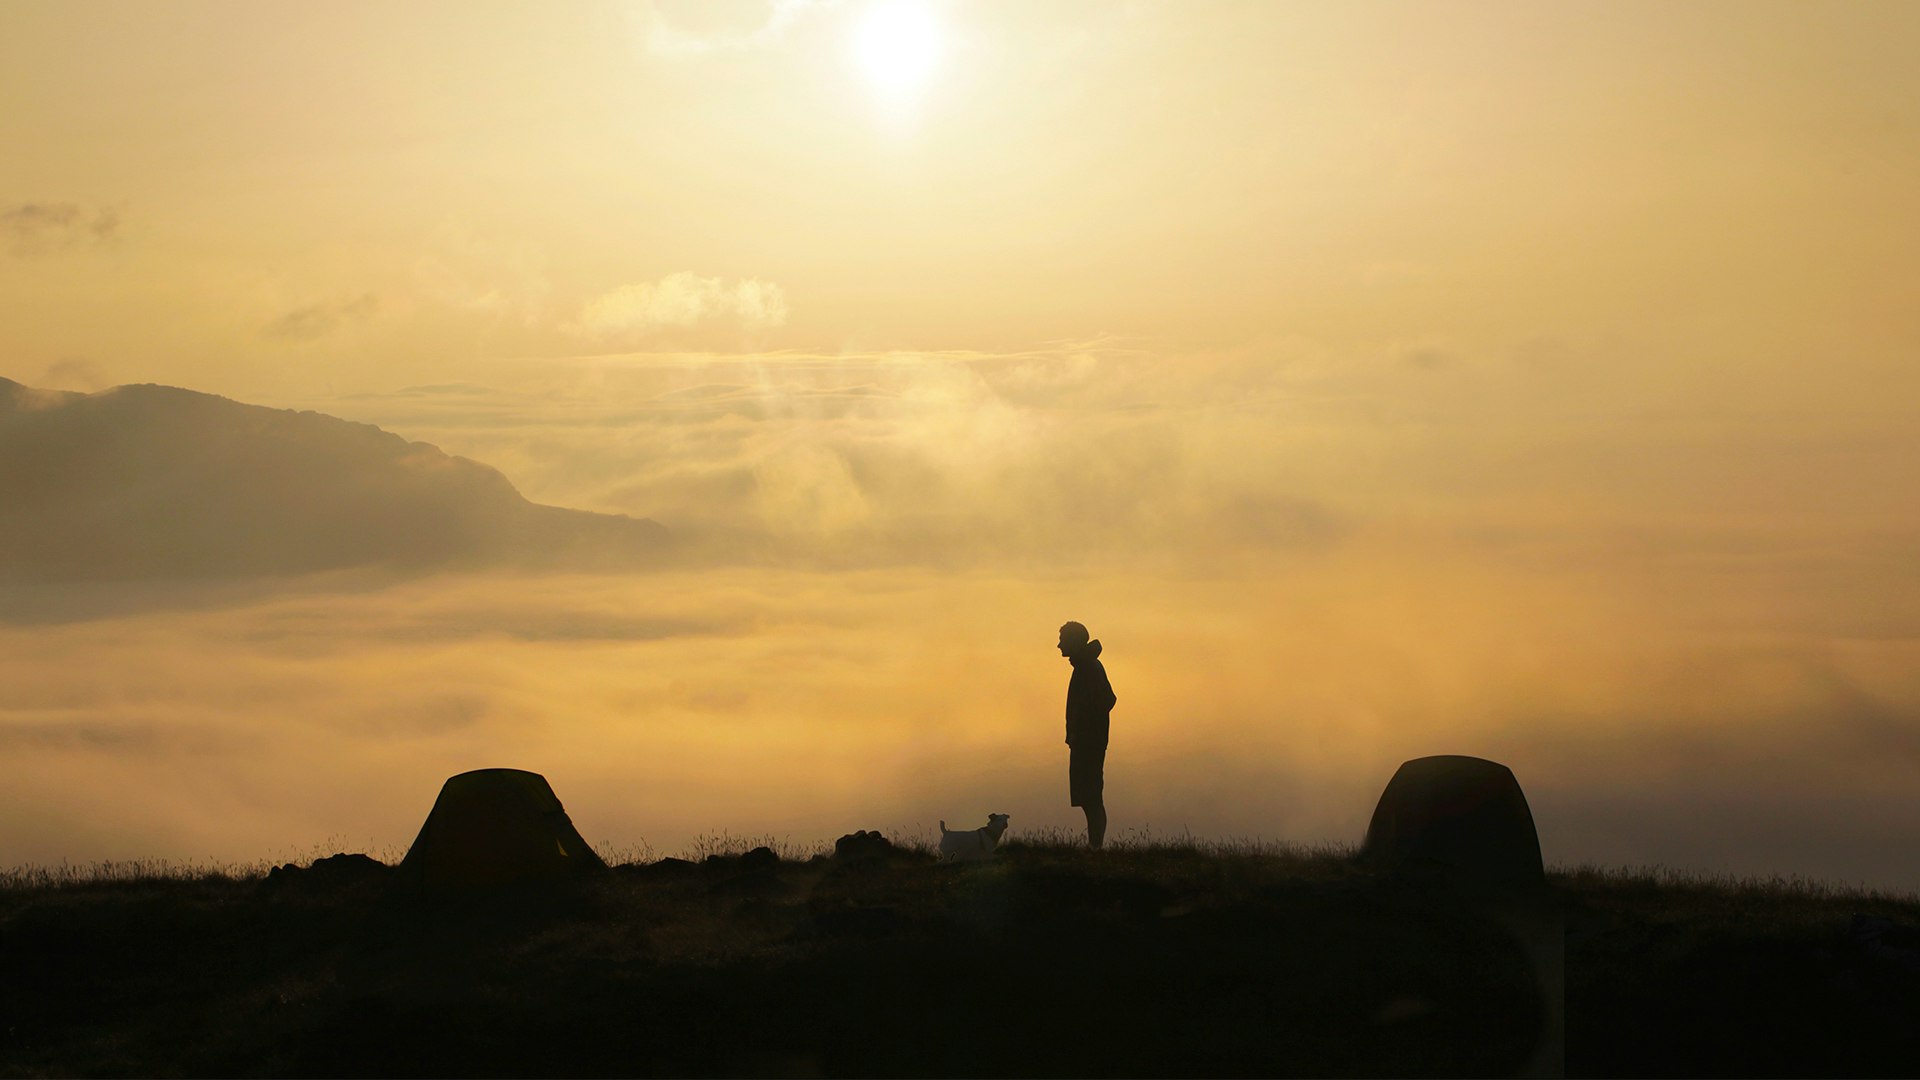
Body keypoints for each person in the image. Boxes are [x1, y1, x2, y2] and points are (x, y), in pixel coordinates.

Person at [1058, 620, 1115, 849]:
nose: (1059, 646)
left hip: (1088, 744)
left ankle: (1096, 848)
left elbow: (1106, 700)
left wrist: (1085, 730)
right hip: (1087, 742)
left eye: (1062, 640)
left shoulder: (1088, 668)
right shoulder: (1087, 666)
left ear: (1073, 641)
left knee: (1091, 798)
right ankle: (1095, 847)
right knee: (1089, 797)